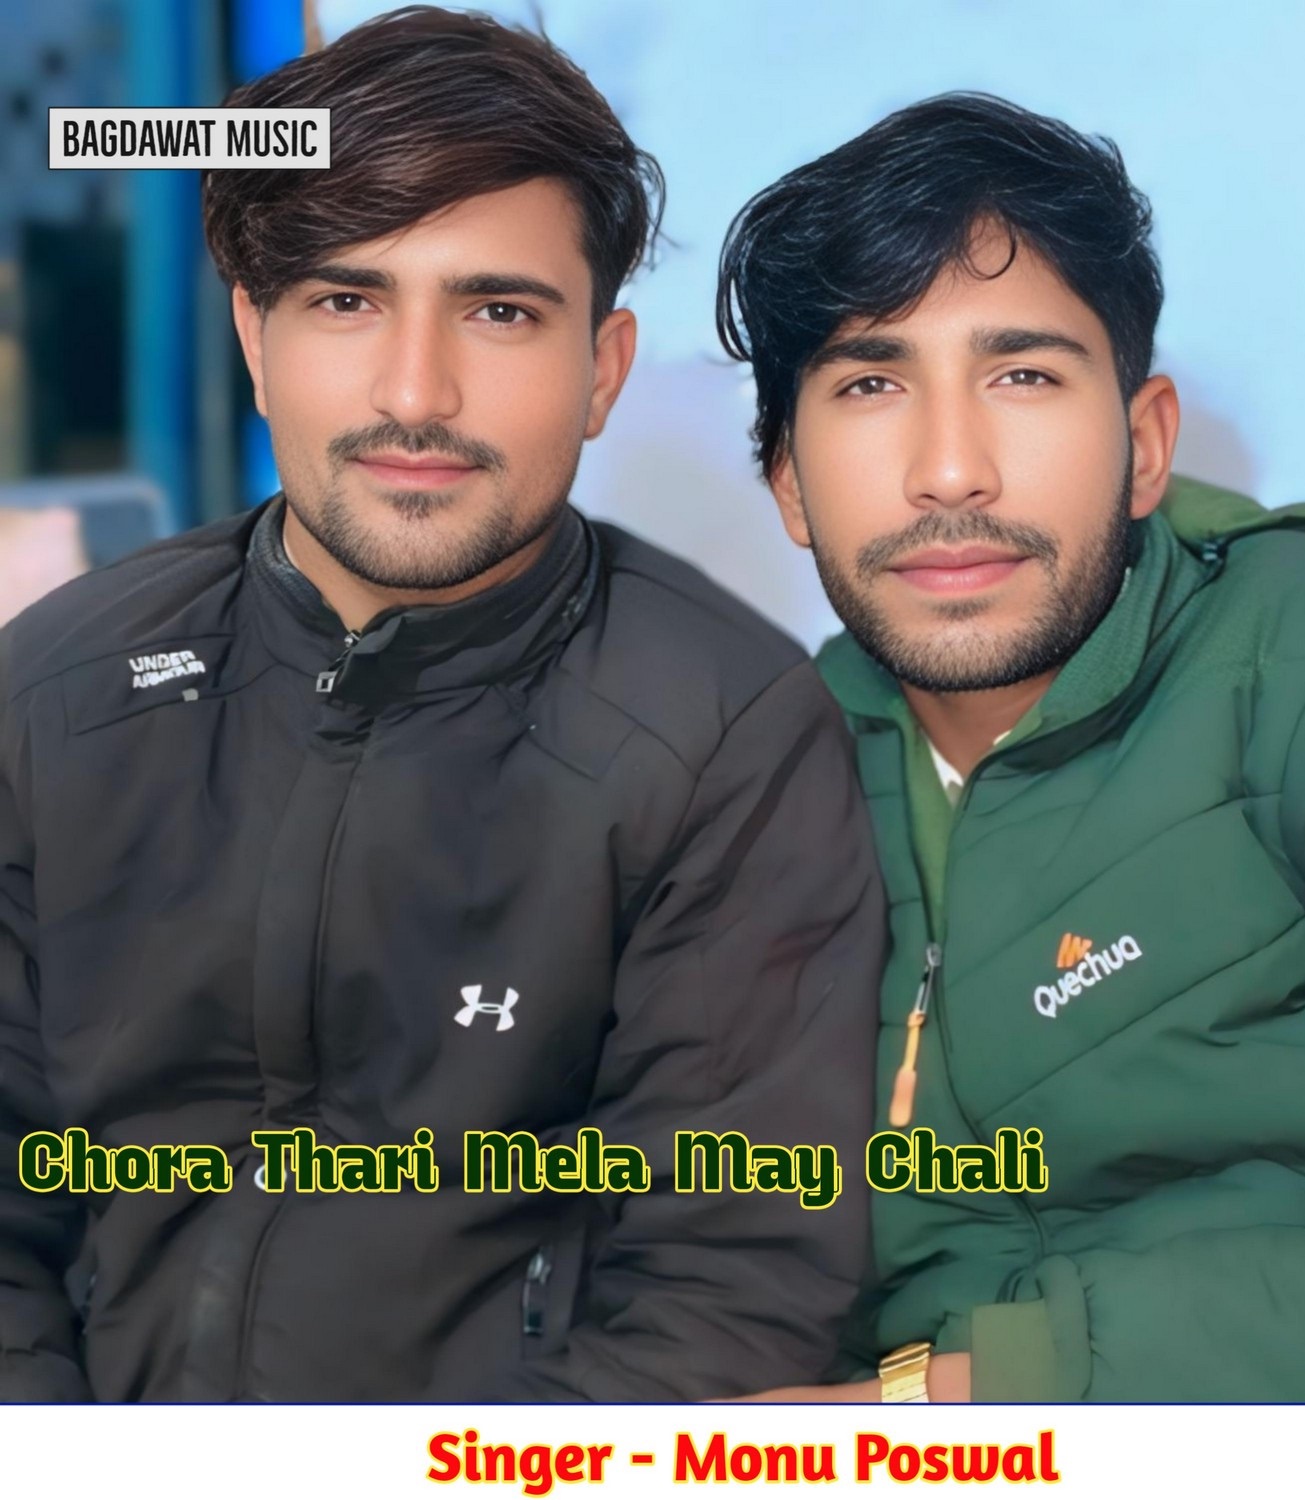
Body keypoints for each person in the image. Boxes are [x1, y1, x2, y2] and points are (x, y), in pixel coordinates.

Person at [0, 7, 884, 1403]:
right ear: (254, 338)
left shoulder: (724, 733)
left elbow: (728, 1291)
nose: (417, 392)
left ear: (601, 369)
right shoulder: (59, 685)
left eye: (499, 311)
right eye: (347, 301)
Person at [716, 92, 1305, 1402]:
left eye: (1022, 375)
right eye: (871, 384)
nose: (949, 470)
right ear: (789, 481)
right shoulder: (752, 779)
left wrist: (952, 1400)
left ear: (1144, 444)